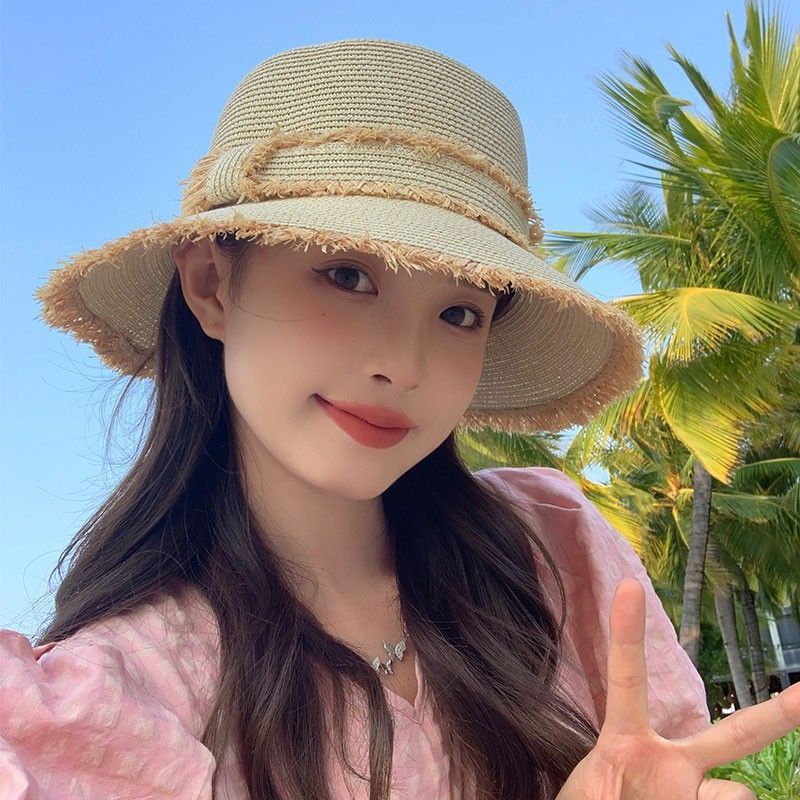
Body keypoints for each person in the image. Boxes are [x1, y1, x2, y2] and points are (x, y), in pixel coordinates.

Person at [2, 38, 797, 800]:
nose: (405, 366)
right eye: (347, 276)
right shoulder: (126, 699)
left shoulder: (552, 551)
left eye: (459, 313)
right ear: (211, 283)